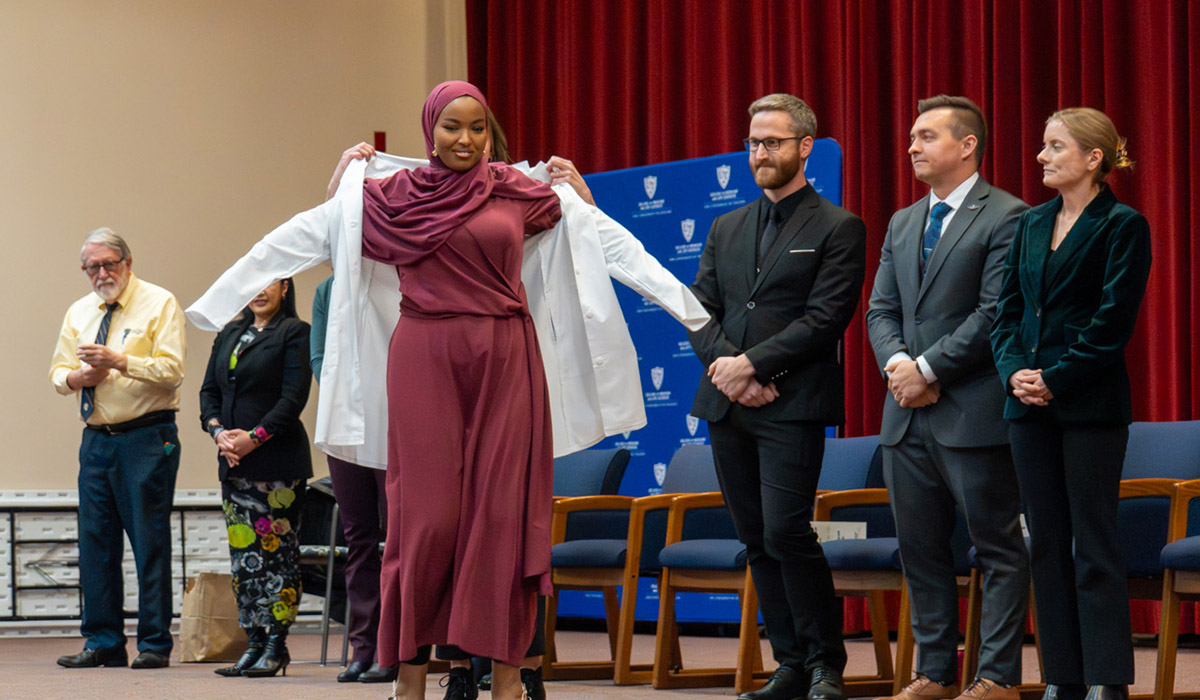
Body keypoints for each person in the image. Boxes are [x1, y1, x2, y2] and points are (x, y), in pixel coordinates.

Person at [687, 93, 866, 700]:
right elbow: (699, 311)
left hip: (794, 404)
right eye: (754, 143)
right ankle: (789, 664)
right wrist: (731, 372)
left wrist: (754, 366)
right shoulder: (726, 226)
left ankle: (825, 664)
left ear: (805, 147)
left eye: (773, 142)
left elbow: (825, 319)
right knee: (757, 539)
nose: (761, 153)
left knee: (788, 531)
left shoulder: (839, 226)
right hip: (727, 404)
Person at [866, 95, 1030, 700]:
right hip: (905, 416)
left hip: (973, 414)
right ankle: (935, 673)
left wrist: (928, 368)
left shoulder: (1008, 215)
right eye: (912, 136)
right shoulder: (902, 221)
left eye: (927, 136)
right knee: (921, 551)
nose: (912, 146)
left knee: (998, 549)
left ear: (967, 146)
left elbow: (994, 313)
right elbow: (881, 309)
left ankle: (996, 677)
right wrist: (899, 366)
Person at [990, 108, 1150, 700]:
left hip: (1089, 405)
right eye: (1043, 144)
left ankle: (1107, 679)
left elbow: (1113, 321)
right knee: (1047, 544)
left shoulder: (1123, 225)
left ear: (1093, 158)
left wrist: (1056, 377)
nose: (1041, 155)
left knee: (1093, 542)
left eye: (1055, 146)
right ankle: (1063, 678)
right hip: (1027, 408)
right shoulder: (1031, 223)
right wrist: (1014, 372)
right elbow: (1006, 312)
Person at [49, 227, 186, 670]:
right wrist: (79, 378)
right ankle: (103, 641)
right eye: (92, 267)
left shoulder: (159, 302)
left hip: (147, 436)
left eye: (109, 264)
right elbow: (58, 373)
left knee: (149, 542)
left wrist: (119, 361)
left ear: (128, 263)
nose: (101, 274)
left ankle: (154, 644)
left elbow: (172, 370)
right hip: (96, 440)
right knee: (96, 543)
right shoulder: (79, 311)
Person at [199, 278, 312, 678]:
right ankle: (254, 642)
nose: (259, 291)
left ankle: (276, 644)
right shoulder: (229, 333)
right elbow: (208, 392)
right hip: (234, 464)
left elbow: (292, 399)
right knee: (244, 560)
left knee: (277, 557)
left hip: (277, 465)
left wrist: (253, 438)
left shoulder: (294, 332)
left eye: (269, 283)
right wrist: (218, 432)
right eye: (253, 284)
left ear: (285, 287)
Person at [309, 274, 396, 684]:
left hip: (394, 421)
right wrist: (345, 394)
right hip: (345, 424)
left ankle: (393, 647)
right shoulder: (328, 289)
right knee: (358, 538)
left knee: (397, 538)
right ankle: (363, 648)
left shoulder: (399, 274)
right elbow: (319, 357)